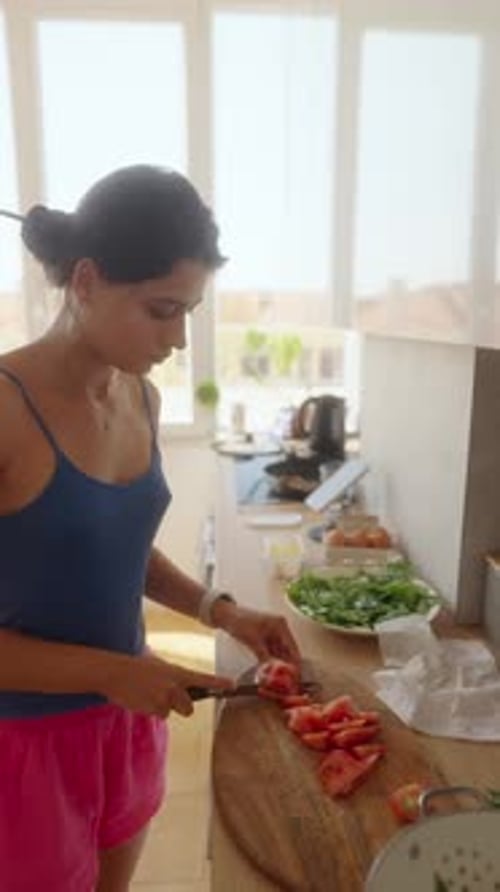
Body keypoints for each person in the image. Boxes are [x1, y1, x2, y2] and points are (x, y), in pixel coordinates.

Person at [0, 165, 301, 892]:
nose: (178, 338)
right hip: (22, 747)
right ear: (85, 281)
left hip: (125, 717)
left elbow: (112, 550)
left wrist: (219, 611)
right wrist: (112, 673)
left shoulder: (141, 396)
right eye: (161, 310)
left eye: (190, 311)